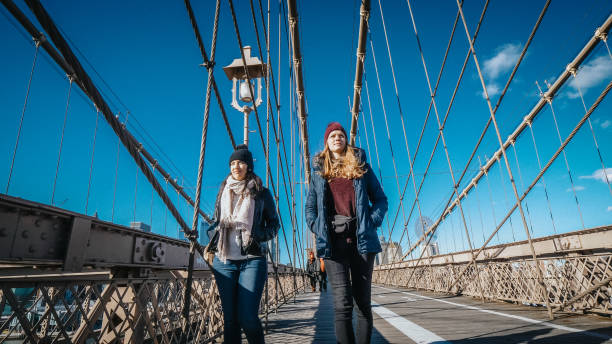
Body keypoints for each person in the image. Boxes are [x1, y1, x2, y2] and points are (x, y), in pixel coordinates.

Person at [305, 122, 388, 344]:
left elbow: (380, 199)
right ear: (326, 143)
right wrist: (317, 227)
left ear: (346, 140)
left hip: (362, 242)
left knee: (362, 304)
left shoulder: (362, 168)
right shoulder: (319, 173)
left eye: (341, 135)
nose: (337, 138)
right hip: (333, 244)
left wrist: (371, 222)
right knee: (342, 305)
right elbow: (310, 208)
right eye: (332, 136)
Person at [205, 144, 280, 344]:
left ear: (248, 166)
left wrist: (257, 235)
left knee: (247, 318)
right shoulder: (223, 190)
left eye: (240, 162)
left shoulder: (261, 192)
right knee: (230, 321)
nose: (235, 166)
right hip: (224, 260)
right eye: (232, 163)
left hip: (252, 259)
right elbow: (218, 219)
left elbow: (274, 224)